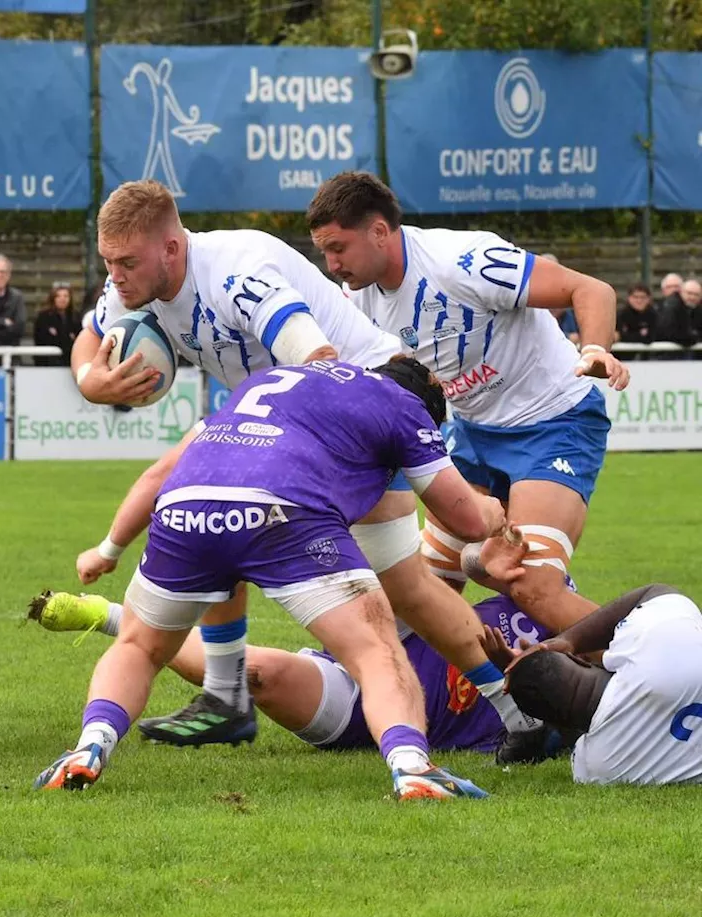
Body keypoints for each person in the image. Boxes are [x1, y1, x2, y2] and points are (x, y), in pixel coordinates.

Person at [66, 180, 539, 753]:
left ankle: (516, 712)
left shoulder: (237, 276)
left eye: (126, 263)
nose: (115, 277)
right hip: (283, 418)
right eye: (108, 263)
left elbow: (319, 362)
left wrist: (248, 443)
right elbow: (88, 342)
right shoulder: (135, 283)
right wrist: (95, 382)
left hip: (368, 395)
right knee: (220, 528)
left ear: (171, 247)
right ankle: (226, 695)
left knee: (405, 585)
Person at [35, 358, 507, 799]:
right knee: (376, 651)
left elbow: (160, 473)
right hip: (283, 508)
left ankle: (89, 746)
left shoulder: (270, 380)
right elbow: (464, 521)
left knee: (138, 648)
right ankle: (411, 767)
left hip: (186, 505)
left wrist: (109, 549)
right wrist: (492, 512)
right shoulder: (404, 406)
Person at [306, 171, 629, 636]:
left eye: (338, 248)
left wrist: (596, 349)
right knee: (417, 592)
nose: (332, 264)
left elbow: (592, 290)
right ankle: (431, 701)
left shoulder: (463, 260)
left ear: (379, 231)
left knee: (533, 587)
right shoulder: (355, 298)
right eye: (324, 253)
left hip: (554, 421)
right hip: (472, 435)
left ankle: (657, 669)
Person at [31, 589, 552, 757]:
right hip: (386, 649)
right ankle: (126, 626)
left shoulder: (580, 698)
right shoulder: (530, 590)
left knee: (255, 675)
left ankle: (111, 618)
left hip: (375, 719)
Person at [475, 546, 702, 785]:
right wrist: (569, 639)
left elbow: (578, 725)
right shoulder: (656, 640)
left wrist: (525, 681)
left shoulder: (596, 767)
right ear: (577, 659)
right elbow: (656, 592)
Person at [33, 282, 83, 366]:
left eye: (65, 296)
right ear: (53, 298)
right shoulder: (44, 317)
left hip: (69, 363)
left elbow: (79, 339)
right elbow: (43, 339)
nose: (62, 299)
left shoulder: (75, 317)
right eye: (58, 296)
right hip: (47, 364)